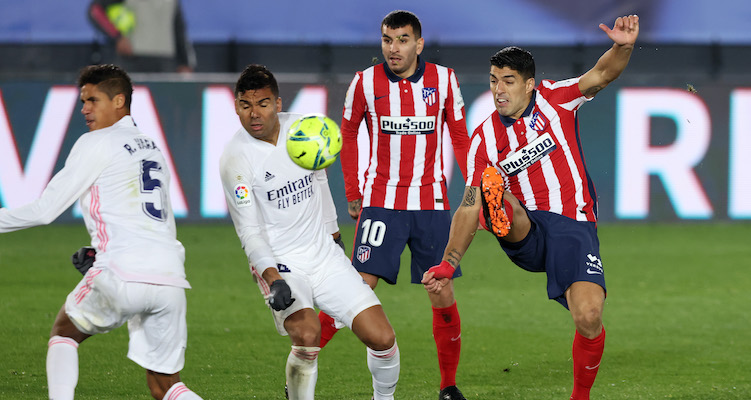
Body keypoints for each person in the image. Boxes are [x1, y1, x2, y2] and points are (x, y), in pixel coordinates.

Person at [422, 15, 640, 400]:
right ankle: (501, 216)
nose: (498, 90)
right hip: (526, 230)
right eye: (493, 81)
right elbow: (469, 203)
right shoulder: (484, 138)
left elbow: (602, 74)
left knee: (588, 317)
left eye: (507, 81)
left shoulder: (558, 98)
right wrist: (449, 261)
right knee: (491, 191)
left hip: (572, 224)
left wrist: (622, 46)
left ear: (529, 84)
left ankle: (580, 397)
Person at [0, 64, 203, 400]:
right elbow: (151, 218)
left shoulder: (96, 142)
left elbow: (45, 210)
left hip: (122, 272)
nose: (84, 109)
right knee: (167, 387)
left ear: (119, 100)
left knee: (64, 333)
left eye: (92, 100)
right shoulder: (151, 147)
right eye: (83, 101)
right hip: (170, 279)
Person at [218, 64, 400, 400]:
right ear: (236, 107)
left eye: (263, 104)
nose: (254, 114)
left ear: (278, 102)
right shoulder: (235, 160)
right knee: (307, 333)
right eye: (245, 106)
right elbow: (249, 231)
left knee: (383, 338)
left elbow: (319, 181)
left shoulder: (303, 130)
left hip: (324, 256)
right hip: (282, 264)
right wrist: (273, 278)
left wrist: (333, 236)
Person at [315, 9, 471, 400]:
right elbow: (347, 134)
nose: (393, 48)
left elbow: (460, 137)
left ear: (419, 43)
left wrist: (475, 192)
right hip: (381, 202)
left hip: (431, 204)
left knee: (440, 287)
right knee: (355, 288)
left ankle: (448, 385)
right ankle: (304, 357)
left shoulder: (444, 80)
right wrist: (353, 191)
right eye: (387, 39)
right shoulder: (365, 83)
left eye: (402, 39)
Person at [88, 0, 196, 73]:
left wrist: (184, 62)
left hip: (165, 61)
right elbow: (96, 11)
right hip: (132, 59)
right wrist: (117, 37)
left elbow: (178, 27)